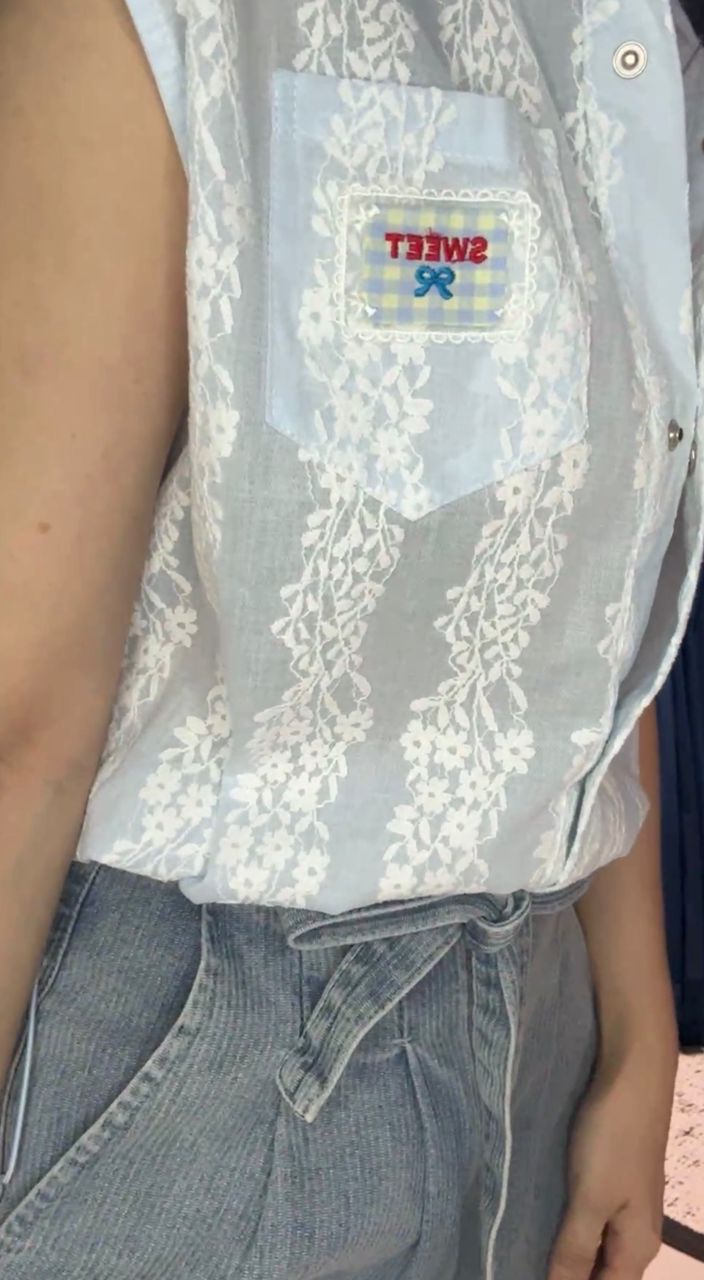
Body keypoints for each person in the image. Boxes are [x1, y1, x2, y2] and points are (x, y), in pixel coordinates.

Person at [0, 2, 701, 1278]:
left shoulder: (632, 44)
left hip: (537, 1031)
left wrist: (634, 1028)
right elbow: (20, 724)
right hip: (176, 1075)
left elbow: (591, 604)